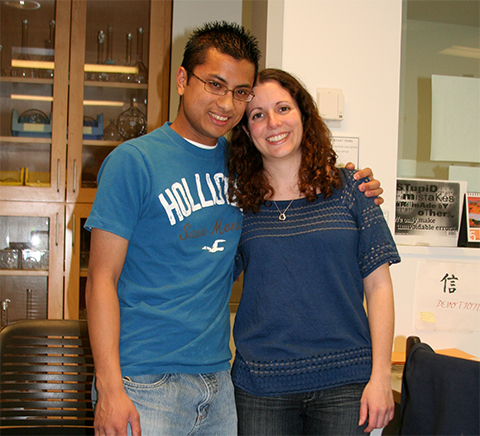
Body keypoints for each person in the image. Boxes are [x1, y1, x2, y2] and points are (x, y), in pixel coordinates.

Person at [84, 21, 383, 436]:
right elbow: (101, 278)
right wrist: (109, 386)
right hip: (143, 383)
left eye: (241, 92)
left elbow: (295, 186)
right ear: (183, 79)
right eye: (215, 84)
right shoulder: (134, 162)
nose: (227, 103)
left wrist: (352, 182)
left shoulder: (244, 170)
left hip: (219, 383)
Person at [228, 69, 401, 436]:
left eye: (283, 108)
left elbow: (379, 288)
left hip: (345, 383)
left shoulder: (353, 191)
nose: (273, 122)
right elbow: (209, 278)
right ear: (245, 130)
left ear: (303, 115)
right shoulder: (238, 204)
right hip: (261, 386)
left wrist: (381, 376)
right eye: (257, 115)